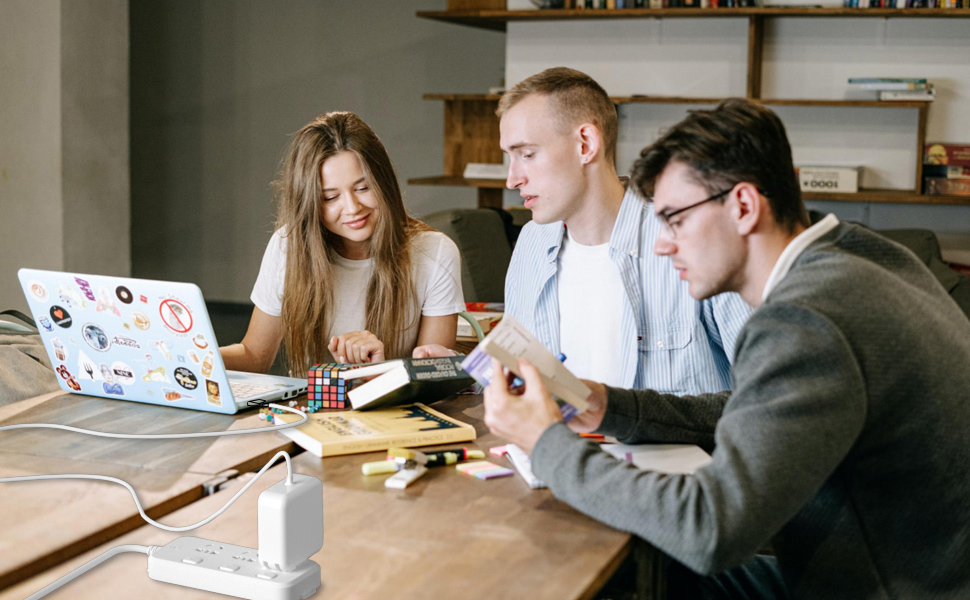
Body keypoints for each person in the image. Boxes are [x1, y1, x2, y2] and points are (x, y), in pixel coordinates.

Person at [483, 98, 970, 599]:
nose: (661, 244)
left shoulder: (805, 319)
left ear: (742, 206)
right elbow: (755, 411)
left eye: (674, 219)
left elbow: (709, 530)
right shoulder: (863, 254)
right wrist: (610, 405)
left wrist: (546, 444)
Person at [498, 68, 749, 391]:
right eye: (510, 158)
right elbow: (516, 377)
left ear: (586, 144)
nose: (512, 179)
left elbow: (767, 397)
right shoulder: (532, 241)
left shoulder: (696, 238)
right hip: (557, 441)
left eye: (527, 155)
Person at [220, 111, 464, 375]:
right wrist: (194, 356)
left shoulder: (435, 252)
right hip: (310, 412)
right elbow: (255, 357)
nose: (352, 208)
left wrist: (377, 371)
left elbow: (432, 376)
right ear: (310, 203)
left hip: (395, 414)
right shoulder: (287, 246)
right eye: (330, 197)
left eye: (363, 188)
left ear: (384, 182)